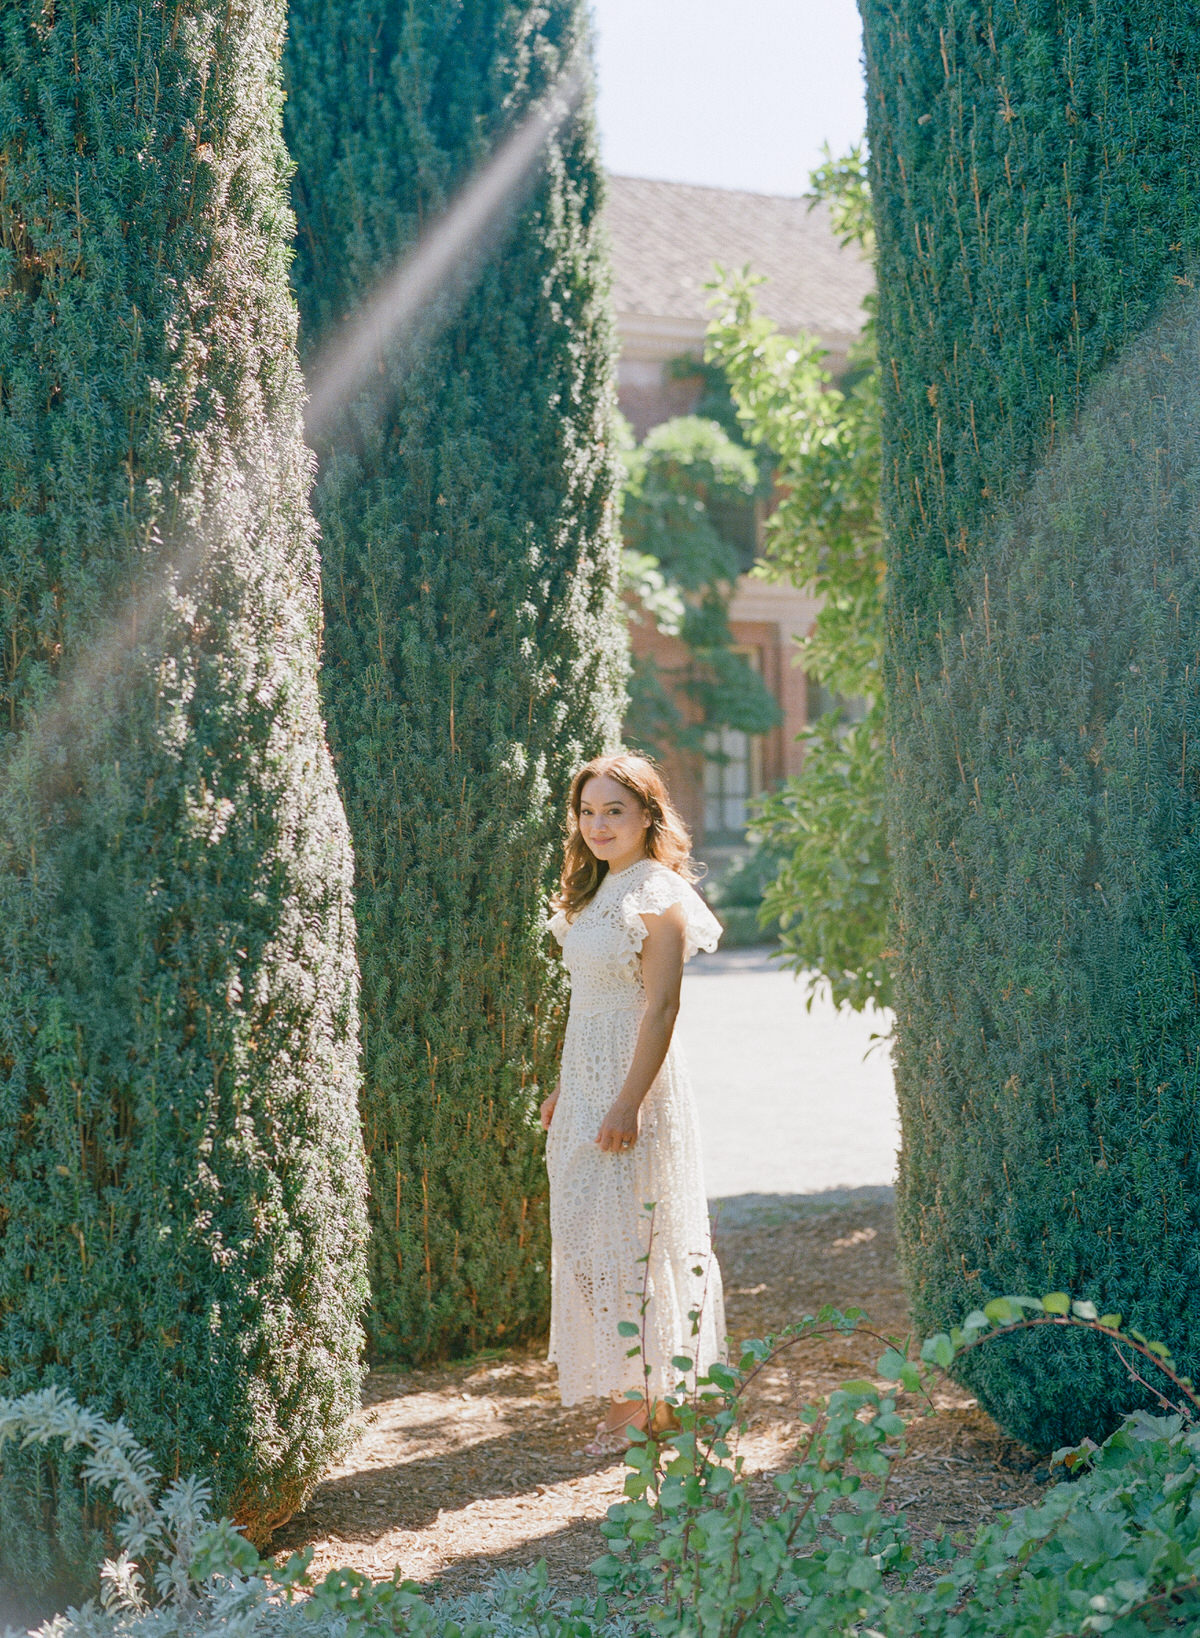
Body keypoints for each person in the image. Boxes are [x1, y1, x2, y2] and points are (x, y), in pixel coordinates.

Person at [541, 752, 726, 1454]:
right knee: (586, 1239)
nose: (598, 825)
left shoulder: (656, 891)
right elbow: (589, 1002)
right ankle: (647, 1387)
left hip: (632, 1089)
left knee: (630, 1242)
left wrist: (628, 1102)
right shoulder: (596, 892)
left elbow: (662, 1007)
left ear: (648, 814)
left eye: (614, 810)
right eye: (587, 811)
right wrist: (567, 1086)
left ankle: (641, 1399)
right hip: (585, 1084)